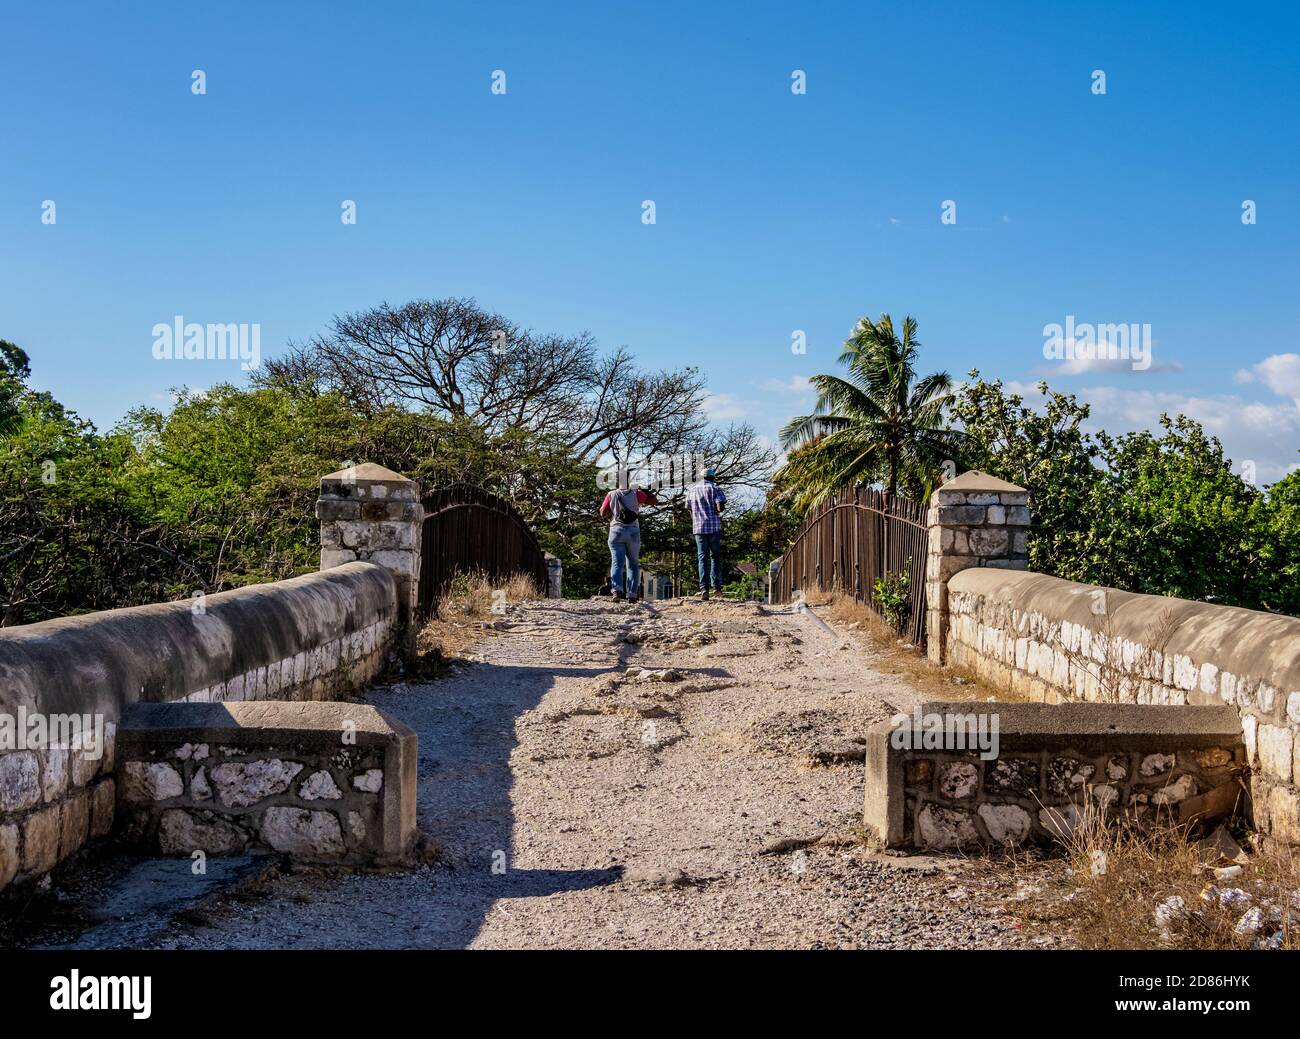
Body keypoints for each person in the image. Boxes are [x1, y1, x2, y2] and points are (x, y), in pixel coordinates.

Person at [599, 482, 658, 602]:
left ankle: (616, 590)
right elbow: (653, 501)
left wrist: (615, 509)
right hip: (633, 531)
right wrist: (644, 489)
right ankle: (632, 594)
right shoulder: (636, 493)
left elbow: (603, 513)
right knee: (633, 564)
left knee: (616, 563)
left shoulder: (611, 494)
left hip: (616, 531)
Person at [686, 467, 727, 599]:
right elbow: (720, 507)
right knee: (715, 557)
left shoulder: (692, 490)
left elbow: (688, 508)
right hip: (713, 527)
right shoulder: (715, 488)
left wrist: (696, 516)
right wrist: (718, 508)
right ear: (713, 477)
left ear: (702, 477)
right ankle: (717, 587)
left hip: (698, 528)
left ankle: (704, 588)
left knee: (702, 558)